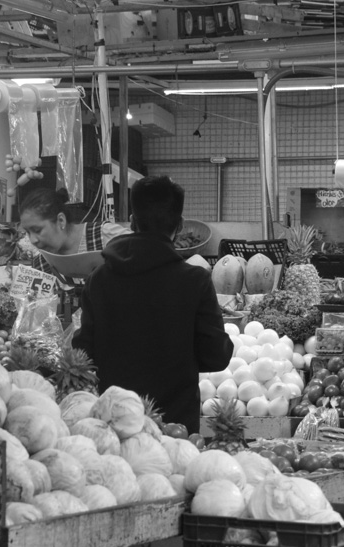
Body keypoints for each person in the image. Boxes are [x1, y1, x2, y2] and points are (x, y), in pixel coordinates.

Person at [72, 176, 233, 434]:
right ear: (179, 226)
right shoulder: (195, 281)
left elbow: (83, 353)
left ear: (133, 222)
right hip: (175, 429)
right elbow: (216, 355)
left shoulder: (98, 279)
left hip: (115, 426)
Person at [18, 188, 131, 257]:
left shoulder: (106, 236)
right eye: (28, 232)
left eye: (37, 230)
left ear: (61, 220)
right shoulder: (42, 266)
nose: (33, 240)